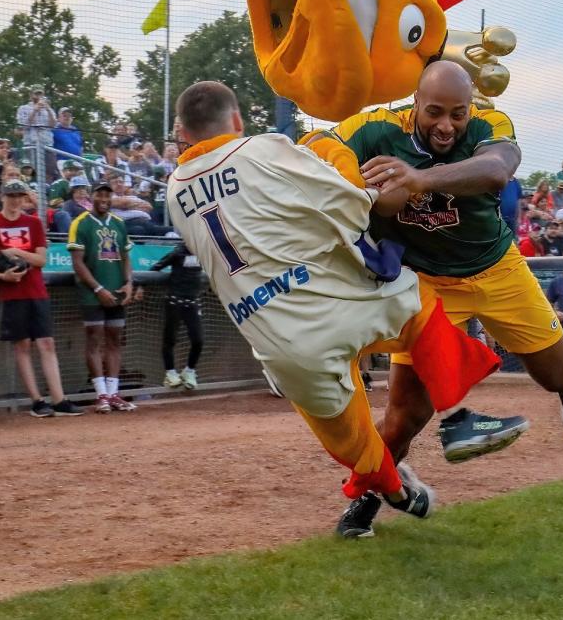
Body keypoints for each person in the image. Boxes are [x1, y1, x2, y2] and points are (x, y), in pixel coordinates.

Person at [171, 81, 501, 537]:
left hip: (278, 341)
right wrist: (327, 147)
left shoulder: (173, 192)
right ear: (237, 122)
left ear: (182, 132)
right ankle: (457, 420)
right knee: (420, 308)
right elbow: (350, 203)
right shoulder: (264, 150)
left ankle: (398, 493)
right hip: (337, 301)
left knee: (360, 447)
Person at [337, 62, 563, 465]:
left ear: (470, 107)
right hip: (427, 286)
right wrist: (352, 178)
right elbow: (316, 144)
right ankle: (368, 495)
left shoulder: (490, 122)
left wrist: (418, 179)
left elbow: (495, 170)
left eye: (458, 113)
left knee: (556, 374)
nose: (446, 126)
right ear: (415, 102)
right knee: (404, 418)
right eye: (434, 111)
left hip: (496, 269)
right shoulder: (376, 128)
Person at [0, 180, 82, 417]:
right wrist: (1, 275)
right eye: (11, 195)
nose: (15, 200)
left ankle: (59, 399)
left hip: (35, 290)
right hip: (10, 291)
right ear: (2, 197)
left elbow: (41, 260)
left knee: (46, 343)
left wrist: (15, 252)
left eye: (19, 195)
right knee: (22, 345)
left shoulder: (34, 222)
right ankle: (37, 400)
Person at [68, 181, 138, 414]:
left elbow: (126, 257)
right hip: (92, 292)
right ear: (92, 196)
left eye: (107, 194)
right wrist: (98, 289)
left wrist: (129, 283)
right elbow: (77, 262)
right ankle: (101, 394)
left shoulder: (119, 223)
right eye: (100, 194)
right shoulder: (80, 223)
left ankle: (114, 392)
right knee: (94, 338)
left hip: (116, 290)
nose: (104, 198)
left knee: (116, 339)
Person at [151, 245, 206, 390]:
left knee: (198, 340)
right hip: (174, 301)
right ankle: (170, 373)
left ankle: (189, 371)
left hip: (192, 303)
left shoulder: (203, 251)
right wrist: (139, 288)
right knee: (170, 339)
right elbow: (156, 267)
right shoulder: (178, 252)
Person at [15, 88, 57, 179]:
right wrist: (34, 110)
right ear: (31, 95)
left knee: (49, 172)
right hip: (31, 144)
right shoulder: (23, 108)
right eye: (36, 94)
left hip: (47, 144)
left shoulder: (48, 109)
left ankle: (46, 189)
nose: (38, 97)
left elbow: (53, 125)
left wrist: (48, 110)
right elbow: (22, 126)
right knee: (30, 171)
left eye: (40, 94)